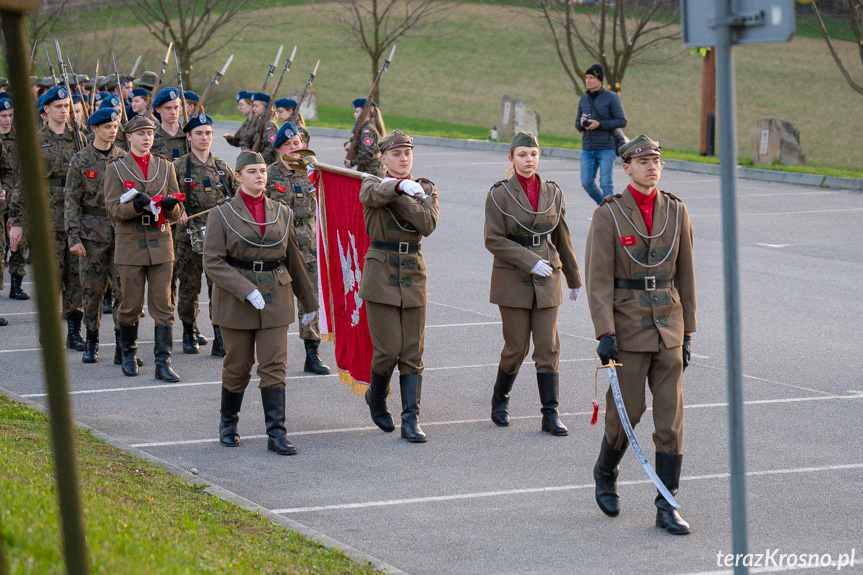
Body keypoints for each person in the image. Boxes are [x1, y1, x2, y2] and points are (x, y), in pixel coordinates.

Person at [584, 135, 696, 535]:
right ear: (626, 167)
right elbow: (598, 280)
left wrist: (688, 333)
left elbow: (686, 275)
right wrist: (604, 332)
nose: (651, 166)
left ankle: (667, 505)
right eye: (642, 160)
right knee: (627, 413)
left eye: (656, 160)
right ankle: (605, 470)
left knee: (671, 420)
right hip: (627, 328)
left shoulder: (676, 211)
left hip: (669, 325)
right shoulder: (609, 215)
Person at [202, 151, 318, 456]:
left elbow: (293, 257)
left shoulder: (282, 212)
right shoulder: (222, 214)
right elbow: (212, 261)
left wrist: (309, 302)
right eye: (252, 171)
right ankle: (228, 423)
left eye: (263, 171)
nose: (260, 176)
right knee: (238, 366)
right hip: (237, 299)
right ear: (238, 177)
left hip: (275, 296)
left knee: (274, 366)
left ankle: (276, 433)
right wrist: (244, 288)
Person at [484, 132, 582, 436]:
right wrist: (528, 261)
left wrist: (573, 278)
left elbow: (561, 235)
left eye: (533, 154)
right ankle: (500, 401)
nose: (528, 160)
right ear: (511, 158)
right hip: (513, 277)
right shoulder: (499, 194)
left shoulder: (553, 193)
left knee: (548, 347)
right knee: (516, 347)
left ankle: (550, 413)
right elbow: (493, 239)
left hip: (547, 276)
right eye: (522, 154)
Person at [359, 130, 438, 443]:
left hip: (413, 273)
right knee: (388, 349)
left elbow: (427, 224)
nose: (403, 158)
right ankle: (376, 397)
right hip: (381, 273)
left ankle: (410, 419)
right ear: (383, 158)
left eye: (407, 152)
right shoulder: (369, 183)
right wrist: (399, 188)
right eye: (396, 154)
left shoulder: (426, 186)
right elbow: (372, 196)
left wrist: (404, 192)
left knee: (412, 352)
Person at [104, 115, 184, 380]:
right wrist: (136, 205)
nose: (146, 138)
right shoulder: (116, 168)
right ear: (129, 137)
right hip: (131, 243)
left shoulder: (165, 166)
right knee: (130, 304)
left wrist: (172, 206)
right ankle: (128, 353)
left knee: (163, 305)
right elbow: (113, 209)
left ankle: (163, 362)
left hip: (161, 242)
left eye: (149, 133)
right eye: (140, 134)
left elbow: (177, 210)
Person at [8, 85, 84, 348]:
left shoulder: (79, 139)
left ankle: (75, 332)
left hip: (75, 219)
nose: (64, 111)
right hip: (46, 221)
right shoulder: (33, 141)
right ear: (46, 111)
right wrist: (16, 222)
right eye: (58, 107)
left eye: (67, 106)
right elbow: (21, 184)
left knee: (76, 278)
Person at [264, 121, 329, 374]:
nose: (295, 148)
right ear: (279, 148)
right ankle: (272, 353)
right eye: (289, 144)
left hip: (309, 245)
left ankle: (311, 354)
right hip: (280, 245)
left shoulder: (311, 171)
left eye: (298, 143)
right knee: (276, 301)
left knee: (310, 299)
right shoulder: (268, 174)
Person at [64, 108, 127, 363]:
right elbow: (71, 201)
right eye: (107, 127)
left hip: (121, 233)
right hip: (91, 235)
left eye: (115, 126)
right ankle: (92, 340)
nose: (113, 130)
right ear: (95, 129)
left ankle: (123, 344)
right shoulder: (81, 160)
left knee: (123, 292)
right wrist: (74, 237)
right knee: (92, 291)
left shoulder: (123, 158)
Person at [172, 113, 236, 356]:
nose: (204, 138)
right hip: (187, 237)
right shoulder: (177, 167)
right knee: (189, 287)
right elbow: (169, 198)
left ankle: (219, 333)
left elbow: (236, 197)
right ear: (188, 137)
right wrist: (177, 211)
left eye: (208, 133)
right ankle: (189, 330)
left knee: (218, 287)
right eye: (199, 133)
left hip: (217, 238)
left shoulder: (221, 168)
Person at [576, 64, 627, 205]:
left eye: (591, 77)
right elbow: (577, 125)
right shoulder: (583, 100)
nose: (587, 80)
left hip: (606, 147)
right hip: (587, 148)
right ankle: (605, 207)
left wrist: (600, 124)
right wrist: (581, 123)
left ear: (599, 80)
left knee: (606, 183)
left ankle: (609, 213)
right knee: (586, 182)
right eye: (586, 77)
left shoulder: (612, 98)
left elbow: (622, 121)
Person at [0, 94, 29, 301]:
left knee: (20, 243)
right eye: (3, 115)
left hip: (17, 197)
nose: (7, 119)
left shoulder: (22, 140)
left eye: (10, 115)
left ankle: (16, 285)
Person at [345, 98, 385, 177]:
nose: (354, 115)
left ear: (365, 113)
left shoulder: (367, 131)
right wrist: (348, 144)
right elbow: (356, 142)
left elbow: (367, 153)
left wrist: (352, 163)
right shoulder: (362, 128)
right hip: (366, 170)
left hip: (372, 172)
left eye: (357, 112)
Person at [240, 92, 278, 165]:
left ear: (266, 108)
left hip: (267, 165)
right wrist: (246, 149)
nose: (253, 109)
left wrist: (257, 158)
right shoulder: (258, 122)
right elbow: (246, 139)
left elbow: (272, 147)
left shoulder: (269, 125)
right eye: (253, 106)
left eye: (256, 106)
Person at [150, 87, 187, 161]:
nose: (173, 112)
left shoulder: (188, 136)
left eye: (176, 107)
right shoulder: (151, 138)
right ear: (158, 109)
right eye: (168, 108)